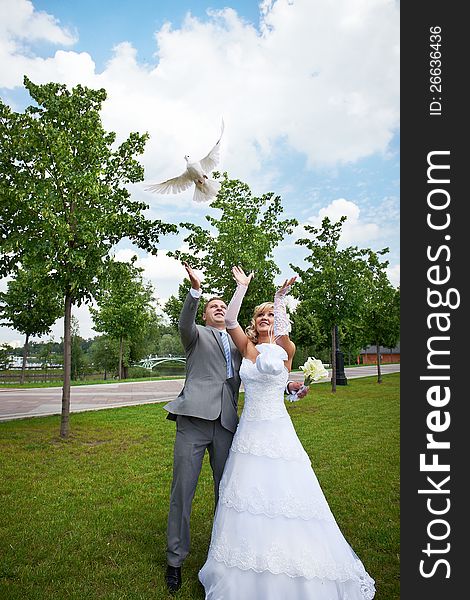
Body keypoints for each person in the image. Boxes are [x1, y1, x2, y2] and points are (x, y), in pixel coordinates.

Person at [198, 266, 376, 600]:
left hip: (278, 429)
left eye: (271, 314)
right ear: (255, 321)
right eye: (261, 314)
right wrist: (241, 288)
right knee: (248, 495)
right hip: (250, 431)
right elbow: (232, 320)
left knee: (288, 493)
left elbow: (280, 376)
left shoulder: (285, 350)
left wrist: (280, 300)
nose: (265, 318)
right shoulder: (248, 349)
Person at [163, 262, 305, 593]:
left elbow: (269, 372)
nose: (220, 309)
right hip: (194, 422)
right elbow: (186, 320)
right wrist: (196, 291)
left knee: (229, 495)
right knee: (183, 491)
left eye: (222, 305)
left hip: (229, 425)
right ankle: (175, 560)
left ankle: (223, 556)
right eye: (213, 306)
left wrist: (289, 387)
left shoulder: (243, 345)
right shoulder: (195, 335)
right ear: (204, 315)